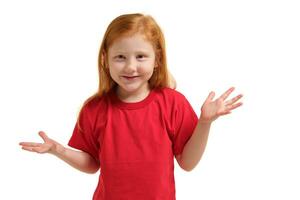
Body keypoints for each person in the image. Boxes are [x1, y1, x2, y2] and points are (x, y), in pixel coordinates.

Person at [19, 13, 243, 200]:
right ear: (105, 59)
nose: (130, 66)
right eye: (120, 57)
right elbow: (92, 164)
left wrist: (204, 123)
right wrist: (58, 150)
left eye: (141, 56)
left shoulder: (172, 103)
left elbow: (187, 163)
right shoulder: (94, 109)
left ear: (157, 59)